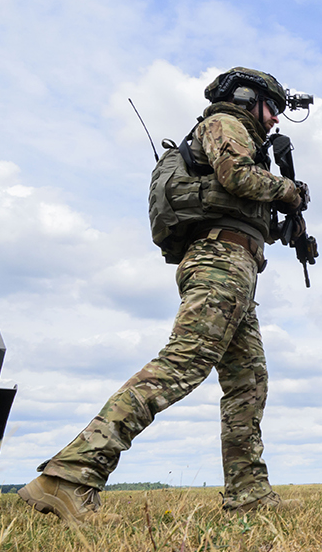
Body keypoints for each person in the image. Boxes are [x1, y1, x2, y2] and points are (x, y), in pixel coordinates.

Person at [19, 67, 304, 522]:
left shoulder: (240, 131)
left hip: (237, 267)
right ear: (250, 98)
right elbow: (238, 178)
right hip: (219, 262)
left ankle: (248, 494)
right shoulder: (225, 123)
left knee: (248, 383)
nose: (274, 121)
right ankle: (69, 476)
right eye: (273, 109)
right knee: (182, 364)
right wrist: (288, 191)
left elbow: (239, 195)